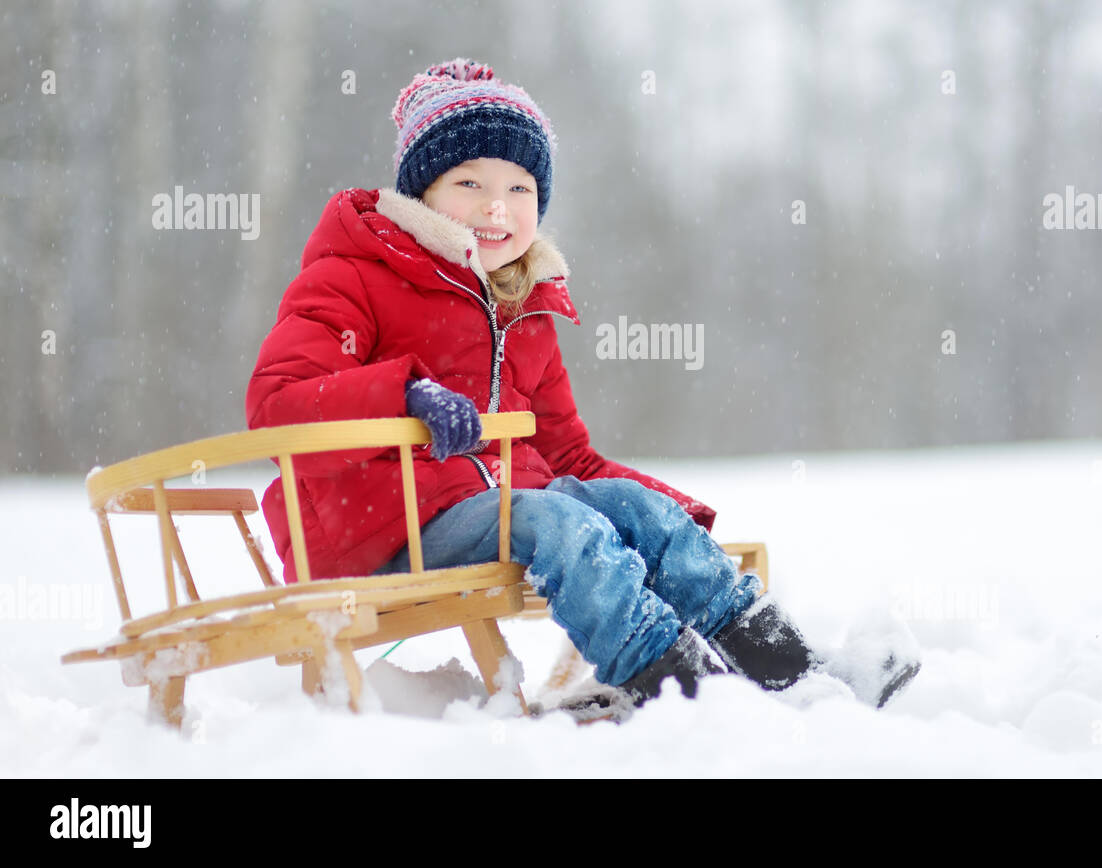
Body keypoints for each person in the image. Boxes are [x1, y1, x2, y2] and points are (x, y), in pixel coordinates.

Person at [246, 57, 919, 714]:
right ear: (421, 193)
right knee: (554, 517)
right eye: (469, 184)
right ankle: (681, 694)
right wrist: (405, 395)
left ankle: (792, 675)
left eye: (520, 189)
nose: (496, 208)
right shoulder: (354, 275)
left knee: (618, 504)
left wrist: (668, 518)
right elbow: (276, 404)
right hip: (381, 531)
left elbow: (568, 457)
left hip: (499, 514)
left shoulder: (524, 307)